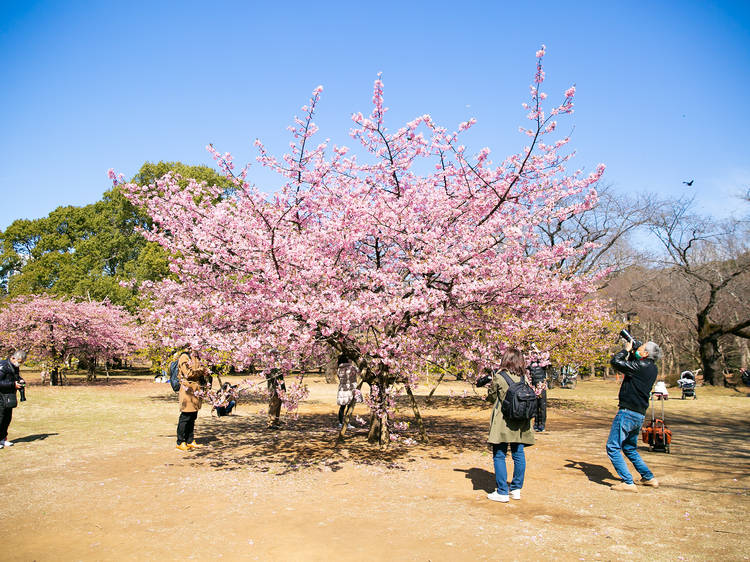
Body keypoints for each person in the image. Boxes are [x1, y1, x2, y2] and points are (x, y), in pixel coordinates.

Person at [607, 339, 662, 491]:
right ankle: (649, 477)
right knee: (630, 448)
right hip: (639, 414)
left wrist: (625, 350)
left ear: (645, 354)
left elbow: (616, 362)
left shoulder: (640, 366)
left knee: (612, 446)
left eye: (642, 348)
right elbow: (632, 367)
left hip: (627, 412)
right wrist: (633, 353)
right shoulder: (652, 368)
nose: (639, 349)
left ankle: (628, 482)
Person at [486, 348, 535, 503]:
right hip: (520, 422)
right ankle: (516, 489)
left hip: (503, 421)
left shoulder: (500, 377)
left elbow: (491, 397)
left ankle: (502, 491)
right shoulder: (524, 378)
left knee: (499, 454)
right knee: (518, 454)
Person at [176, 349, 209, 451]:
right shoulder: (184, 357)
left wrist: (203, 371)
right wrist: (201, 370)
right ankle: (180, 441)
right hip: (188, 390)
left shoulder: (198, 356)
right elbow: (188, 373)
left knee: (193, 416)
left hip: (197, 389)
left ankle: (190, 440)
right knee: (185, 416)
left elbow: (203, 370)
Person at [0, 350, 28, 449]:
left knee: (7, 418)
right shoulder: (3, 366)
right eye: (19, 361)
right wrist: (13, 385)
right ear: (13, 358)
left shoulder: (14, 367)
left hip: (9, 396)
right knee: (1, 417)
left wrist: (20, 380)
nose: (20, 364)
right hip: (1, 396)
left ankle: (3, 439)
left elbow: (15, 377)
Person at [336, 353, 359, 428]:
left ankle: (340, 423)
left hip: (342, 389)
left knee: (342, 407)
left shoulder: (339, 368)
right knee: (350, 407)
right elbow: (359, 372)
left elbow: (339, 378)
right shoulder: (352, 368)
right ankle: (347, 423)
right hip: (350, 389)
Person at [529, 364, 547, 432]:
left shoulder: (543, 362)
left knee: (542, 406)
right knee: (535, 406)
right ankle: (536, 423)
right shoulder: (530, 362)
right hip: (534, 385)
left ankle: (542, 424)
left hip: (541, 385)